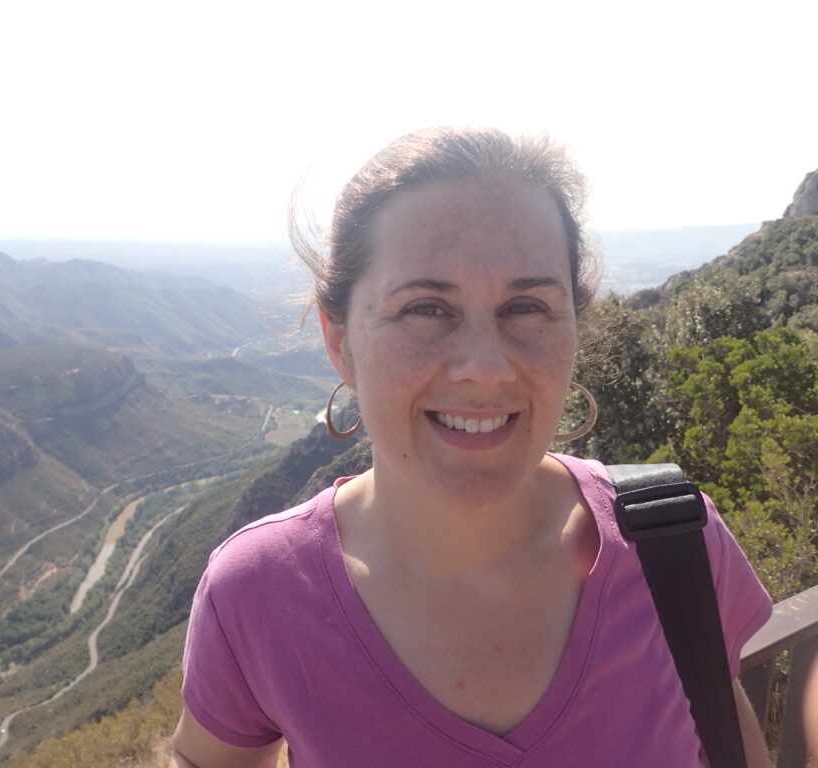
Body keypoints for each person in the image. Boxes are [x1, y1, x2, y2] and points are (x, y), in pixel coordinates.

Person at [171, 127, 774, 767]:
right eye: (426, 309)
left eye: (527, 307)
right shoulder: (256, 593)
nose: (485, 368)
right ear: (340, 340)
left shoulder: (677, 544)